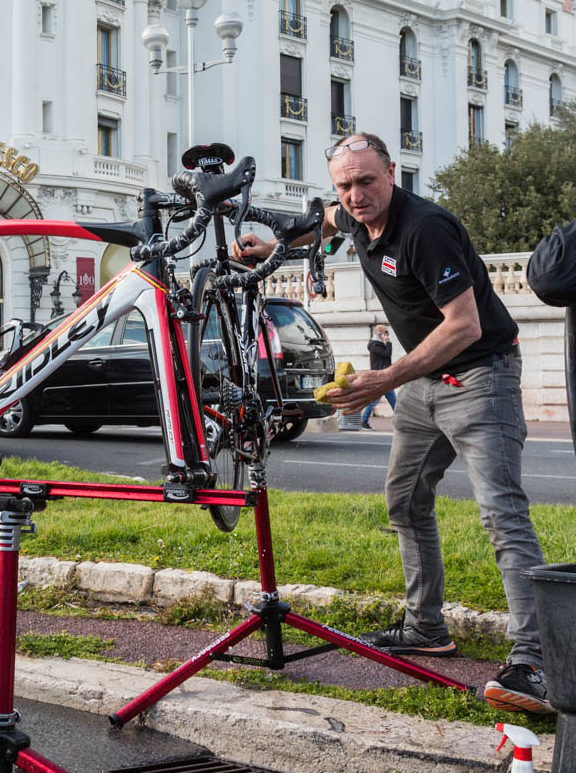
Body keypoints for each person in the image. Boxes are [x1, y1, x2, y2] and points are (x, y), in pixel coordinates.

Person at [233, 130, 551, 716]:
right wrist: (269, 247)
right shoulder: (354, 215)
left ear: (392, 173)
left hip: (480, 377)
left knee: (502, 514)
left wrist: (384, 381)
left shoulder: (424, 229)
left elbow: (464, 326)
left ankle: (536, 661)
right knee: (404, 501)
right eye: (345, 184)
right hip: (424, 384)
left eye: (366, 181)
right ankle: (425, 627)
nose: (356, 195)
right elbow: (322, 224)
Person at [360, 324, 397, 427]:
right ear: (379, 333)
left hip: (384, 376)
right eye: (386, 332)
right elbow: (387, 354)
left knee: (392, 401)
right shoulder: (375, 345)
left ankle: (364, 421)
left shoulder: (378, 344)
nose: (387, 334)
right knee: (390, 401)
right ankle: (364, 421)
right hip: (380, 377)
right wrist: (388, 342)